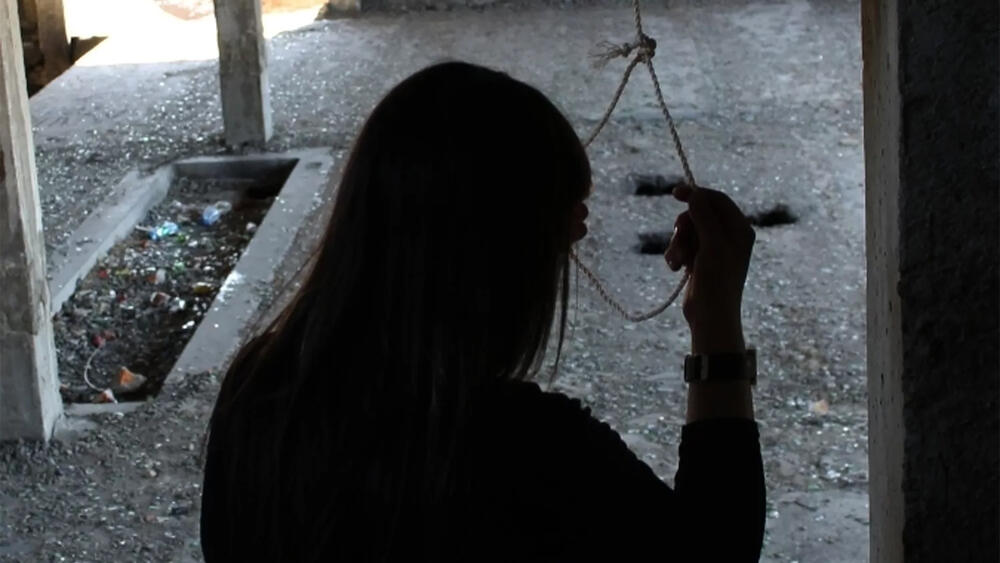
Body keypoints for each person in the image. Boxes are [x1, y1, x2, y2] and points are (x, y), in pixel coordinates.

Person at [200, 61, 764, 562]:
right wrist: (715, 321)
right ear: (500, 257)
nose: (573, 245)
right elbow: (714, 549)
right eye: (555, 239)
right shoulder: (528, 453)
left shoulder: (258, 394)